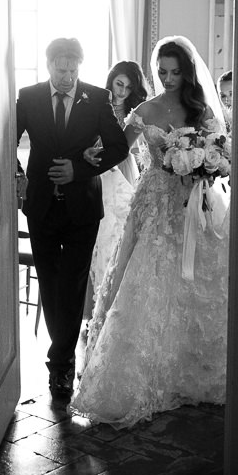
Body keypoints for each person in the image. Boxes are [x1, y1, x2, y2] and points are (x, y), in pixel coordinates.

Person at [71, 35, 231, 427]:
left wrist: (206, 167)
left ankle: (194, 370)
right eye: (162, 72)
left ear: (188, 72)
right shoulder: (146, 109)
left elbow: (223, 151)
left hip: (196, 202)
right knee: (148, 275)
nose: (168, 78)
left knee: (196, 280)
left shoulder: (203, 110)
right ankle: (142, 374)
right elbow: (119, 149)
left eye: (175, 72)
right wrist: (88, 156)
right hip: (156, 202)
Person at [15, 37, 129, 403]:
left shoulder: (96, 98)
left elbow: (118, 147)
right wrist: (18, 174)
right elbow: (2, 139)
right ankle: (63, 356)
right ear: (48, 65)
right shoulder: (28, 97)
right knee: (50, 282)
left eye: (73, 69)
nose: (67, 77)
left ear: (80, 66)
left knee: (74, 282)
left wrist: (77, 170)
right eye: (60, 69)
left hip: (83, 208)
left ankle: (59, 362)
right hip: (42, 206)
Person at [83, 61, 148, 314]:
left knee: (120, 228)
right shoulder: (95, 104)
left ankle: (117, 304)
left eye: (128, 87)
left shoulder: (136, 112)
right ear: (111, 80)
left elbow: (131, 146)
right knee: (99, 232)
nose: (122, 91)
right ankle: (92, 306)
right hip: (98, 168)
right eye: (119, 84)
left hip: (123, 168)